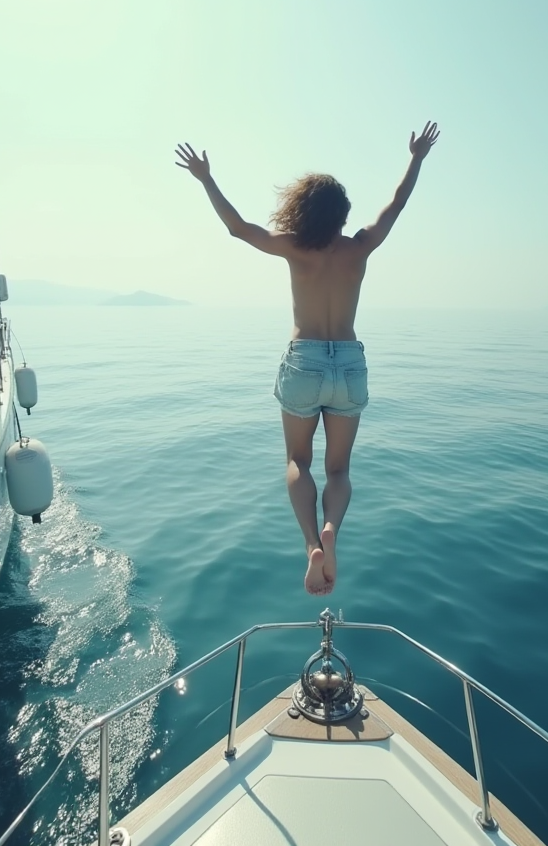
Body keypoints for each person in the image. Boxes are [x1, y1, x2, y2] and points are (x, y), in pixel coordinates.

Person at [176, 121, 440, 595]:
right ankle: (331, 531)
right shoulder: (360, 246)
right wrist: (415, 158)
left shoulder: (294, 247)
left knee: (299, 460)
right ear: (342, 213)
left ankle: (309, 546)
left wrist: (206, 179)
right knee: (339, 469)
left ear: (303, 209)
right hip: (349, 363)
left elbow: (238, 229)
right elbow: (396, 203)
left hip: (304, 362)